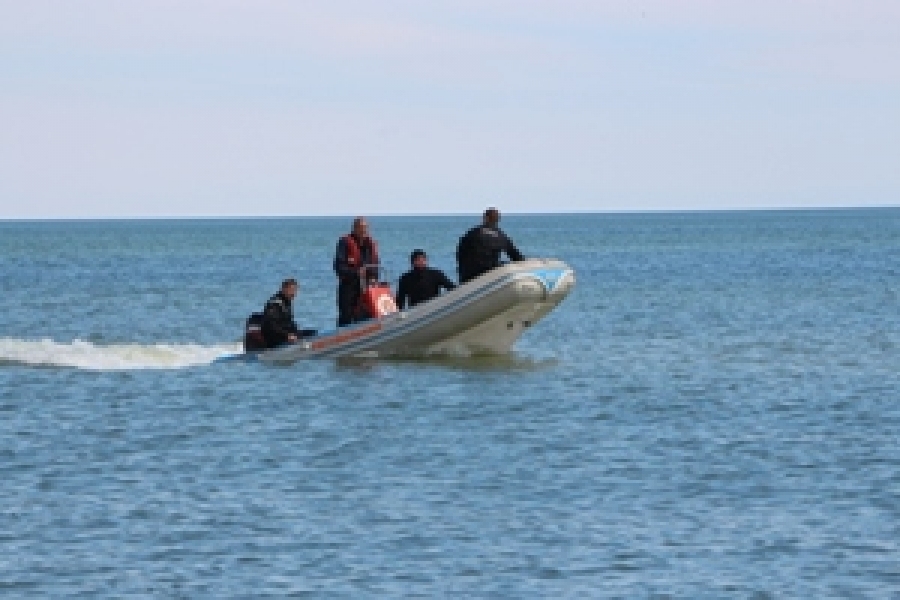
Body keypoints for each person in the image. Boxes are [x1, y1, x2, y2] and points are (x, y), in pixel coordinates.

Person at [456, 207, 524, 284]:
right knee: (503, 264)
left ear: (485, 218)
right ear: (498, 220)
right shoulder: (501, 236)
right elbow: (515, 255)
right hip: (490, 272)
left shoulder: (472, 233)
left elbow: (460, 252)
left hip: (470, 274)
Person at [334, 216, 380, 326]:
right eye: (361, 227)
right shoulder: (345, 242)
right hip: (349, 286)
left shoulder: (370, 244)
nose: (363, 230)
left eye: (365, 227)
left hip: (367, 286)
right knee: (346, 316)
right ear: (354, 228)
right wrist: (355, 273)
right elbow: (338, 266)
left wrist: (373, 277)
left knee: (367, 314)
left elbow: (375, 264)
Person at [260, 278, 301, 348]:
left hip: (286, 336)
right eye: (292, 290)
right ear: (283, 289)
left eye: (295, 291)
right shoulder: (275, 304)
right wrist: (287, 335)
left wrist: (294, 333)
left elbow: (287, 322)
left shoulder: (286, 301)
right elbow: (271, 325)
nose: (294, 293)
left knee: (311, 333)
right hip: (274, 339)